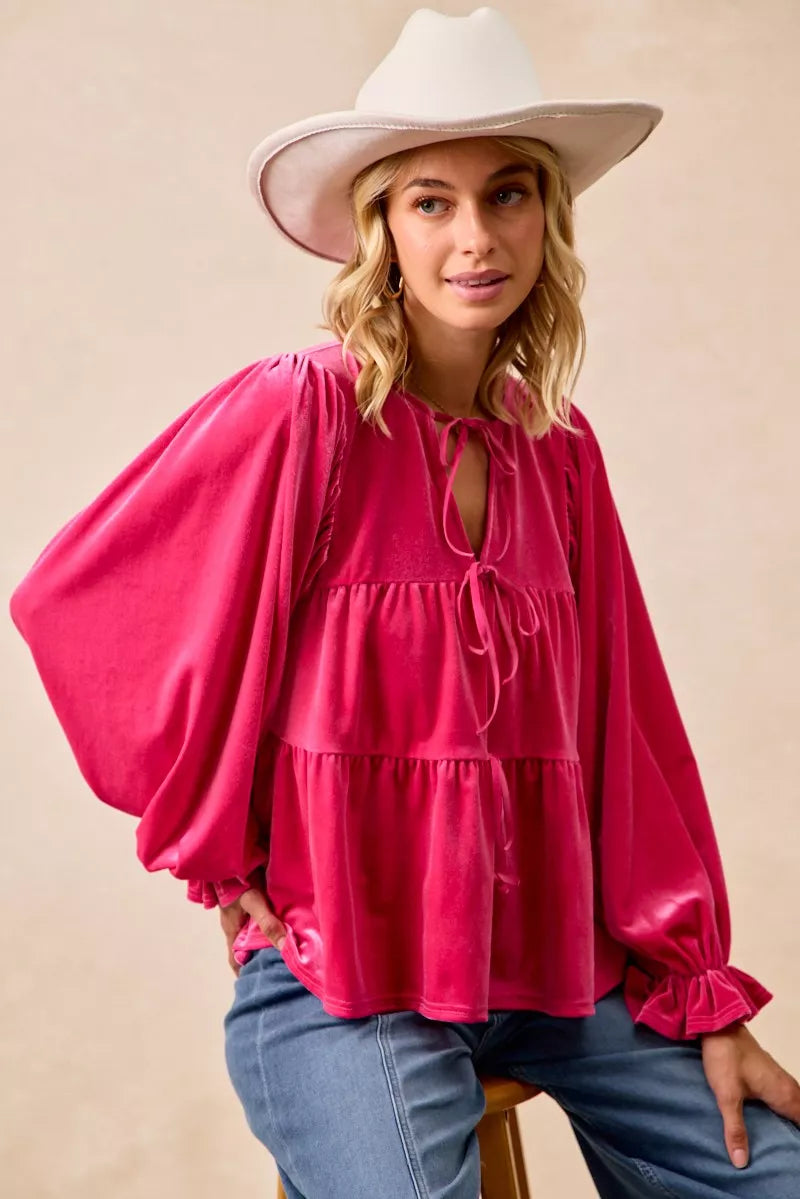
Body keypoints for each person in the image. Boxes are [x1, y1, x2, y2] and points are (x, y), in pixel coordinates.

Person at [8, 7, 800, 1197]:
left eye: (507, 194)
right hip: (342, 981)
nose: (475, 237)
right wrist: (218, 857)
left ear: (547, 219)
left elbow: (626, 728)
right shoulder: (305, 413)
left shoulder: (558, 449)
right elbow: (76, 603)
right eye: (431, 201)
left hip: (557, 973)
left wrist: (697, 992)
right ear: (380, 229)